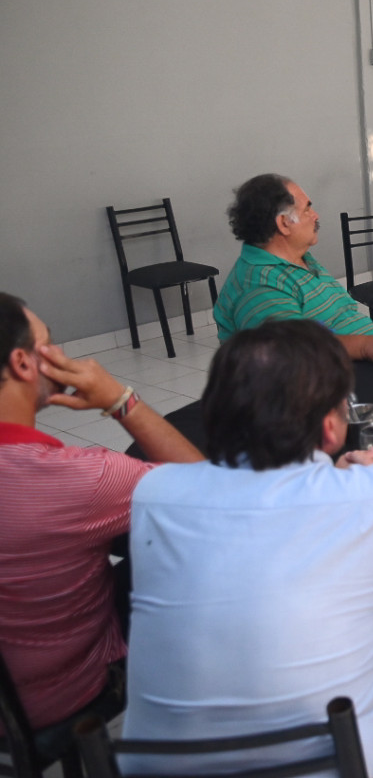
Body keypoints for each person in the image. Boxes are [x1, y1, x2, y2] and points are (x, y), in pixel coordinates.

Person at [122, 320, 373, 778]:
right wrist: (372, 479)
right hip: (338, 766)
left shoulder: (154, 494)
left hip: (161, 770)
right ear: (330, 429)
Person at [0, 294, 201, 756]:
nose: (59, 354)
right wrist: (119, 400)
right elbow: (205, 492)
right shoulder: (78, 479)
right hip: (60, 703)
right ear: (23, 363)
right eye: (48, 343)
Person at [213, 174, 373, 360]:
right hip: (331, 379)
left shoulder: (300, 258)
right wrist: (365, 346)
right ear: (284, 223)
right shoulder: (259, 284)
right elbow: (290, 348)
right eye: (307, 210)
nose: (315, 216)